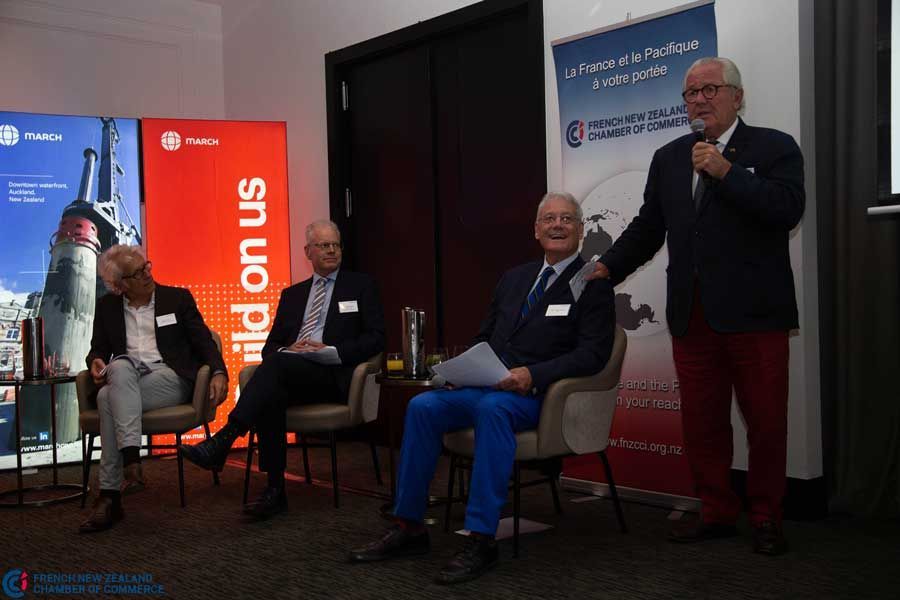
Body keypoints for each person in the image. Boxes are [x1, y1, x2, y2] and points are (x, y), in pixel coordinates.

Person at [588, 57, 804, 555]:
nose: (699, 100)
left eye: (710, 89)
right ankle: (717, 511)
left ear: (737, 96)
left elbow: (787, 209)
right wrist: (607, 267)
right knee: (702, 422)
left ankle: (768, 515)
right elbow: (648, 226)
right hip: (693, 315)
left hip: (755, 316)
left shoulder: (774, 147)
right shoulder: (669, 157)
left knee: (767, 422)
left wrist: (726, 171)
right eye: (690, 93)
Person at [347, 192, 615, 584]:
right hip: (489, 386)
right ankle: (410, 527)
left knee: (494, 410)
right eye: (549, 219)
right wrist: (465, 368)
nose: (557, 225)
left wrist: (532, 374)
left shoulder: (592, 282)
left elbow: (592, 355)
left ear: (580, 228)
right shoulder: (515, 278)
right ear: (536, 229)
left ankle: (481, 538)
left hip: (541, 396)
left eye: (567, 219)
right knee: (424, 406)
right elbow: (486, 336)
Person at [180, 220, 385, 519]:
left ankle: (227, 440)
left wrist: (331, 351)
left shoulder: (361, 285)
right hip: (292, 373)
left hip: (335, 375)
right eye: (323, 245)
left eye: (335, 245)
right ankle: (275, 490)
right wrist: (290, 350)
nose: (331, 250)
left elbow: (377, 337)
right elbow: (270, 346)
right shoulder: (293, 295)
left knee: (274, 371)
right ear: (308, 252)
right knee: (273, 383)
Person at [80, 245, 228, 533]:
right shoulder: (107, 307)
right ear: (120, 285)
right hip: (128, 380)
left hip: (170, 376)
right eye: (137, 273)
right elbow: (97, 349)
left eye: (146, 266)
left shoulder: (177, 298)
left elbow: (203, 342)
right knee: (117, 375)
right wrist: (96, 361)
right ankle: (129, 464)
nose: (147, 274)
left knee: (107, 397)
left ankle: (111, 493)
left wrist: (219, 371)